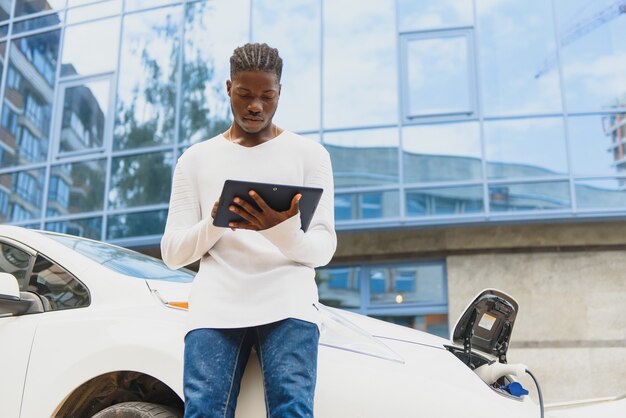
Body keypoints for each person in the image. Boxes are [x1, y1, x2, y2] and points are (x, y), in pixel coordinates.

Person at [161, 43, 336, 418]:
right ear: (228, 88)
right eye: (244, 94)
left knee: (293, 409)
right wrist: (215, 222)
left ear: (279, 93)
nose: (256, 105)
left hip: (288, 296)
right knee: (203, 410)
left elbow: (324, 247)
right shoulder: (195, 159)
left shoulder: (310, 155)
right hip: (216, 301)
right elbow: (173, 252)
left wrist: (279, 230)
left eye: (267, 96)